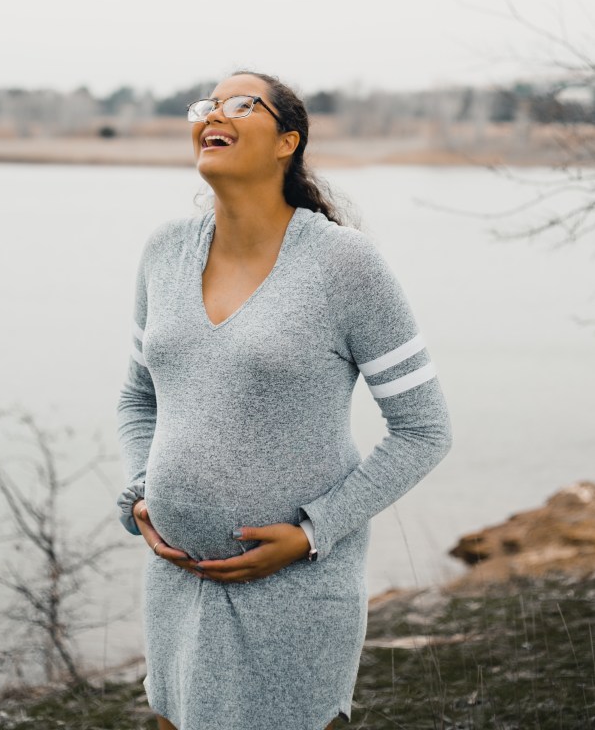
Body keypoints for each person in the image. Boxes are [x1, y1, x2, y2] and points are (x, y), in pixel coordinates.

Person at [116, 69, 453, 730]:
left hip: (296, 590)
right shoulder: (163, 252)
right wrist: (139, 493)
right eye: (207, 104)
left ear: (286, 142)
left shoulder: (343, 265)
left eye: (242, 104)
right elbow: (137, 399)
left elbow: (424, 428)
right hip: (176, 585)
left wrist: (309, 534)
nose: (215, 112)